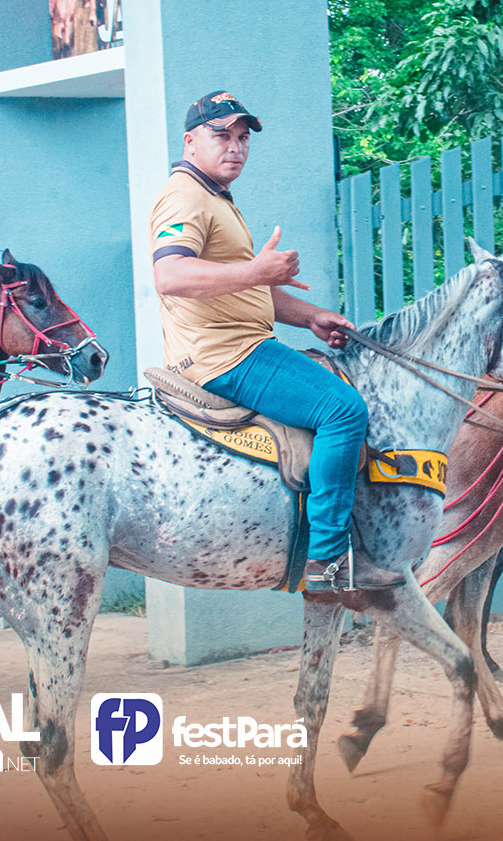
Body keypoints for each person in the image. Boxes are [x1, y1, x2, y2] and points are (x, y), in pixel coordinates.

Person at [148, 90, 403, 594]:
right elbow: (170, 275)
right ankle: (329, 562)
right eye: (222, 136)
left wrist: (310, 317)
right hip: (224, 356)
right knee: (343, 410)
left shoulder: (214, 197)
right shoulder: (184, 196)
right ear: (190, 141)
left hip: (239, 346)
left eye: (243, 138)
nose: (236, 147)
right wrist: (257, 270)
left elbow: (240, 288)